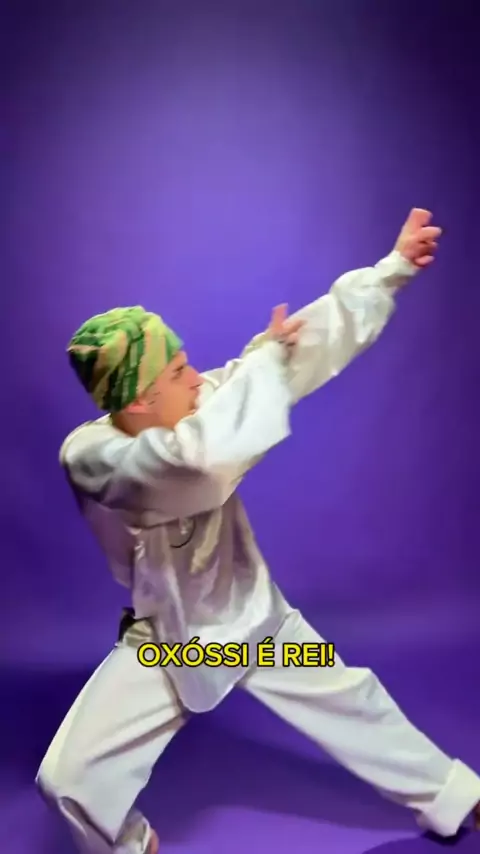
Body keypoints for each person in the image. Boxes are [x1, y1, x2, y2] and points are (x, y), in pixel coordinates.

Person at [36, 209, 480, 853]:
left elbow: (298, 353)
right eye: (178, 372)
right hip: (173, 644)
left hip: (256, 627)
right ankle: (127, 845)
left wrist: (390, 270)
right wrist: (263, 366)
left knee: (352, 702)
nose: (197, 378)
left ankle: (455, 796)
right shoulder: (93, 457)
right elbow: (199, 463)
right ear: (136, 401)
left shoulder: (206, 401)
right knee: (66, 779)